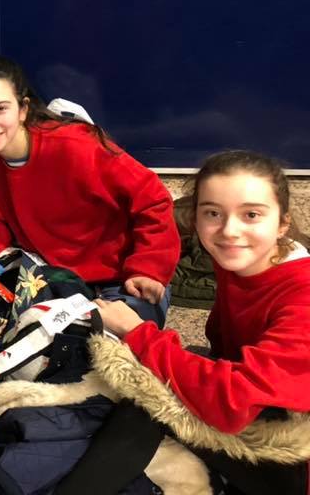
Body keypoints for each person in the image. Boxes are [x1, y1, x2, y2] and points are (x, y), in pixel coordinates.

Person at [83, 150, 310, 495]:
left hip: (296, 460)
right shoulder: (246, 262)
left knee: (145, 398)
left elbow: (232, 402)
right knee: (150, 387)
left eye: (251, 214)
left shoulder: (301, 295)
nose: (229, 231)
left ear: (282, 223)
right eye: (213, 213)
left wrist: (138, 332)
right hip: (260, 399)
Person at [0, 53, 180, 326]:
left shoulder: (75, 145)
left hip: (124, 277)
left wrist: (149, 268)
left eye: (0, 108)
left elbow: (154, 199)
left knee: (119, 342)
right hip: (57, 279)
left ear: (23, 109)